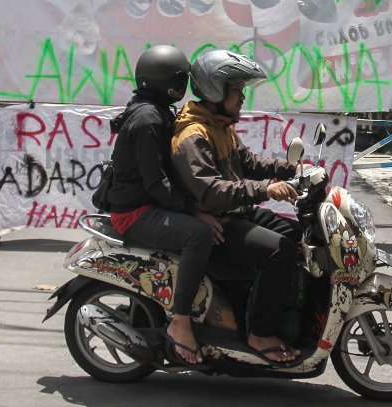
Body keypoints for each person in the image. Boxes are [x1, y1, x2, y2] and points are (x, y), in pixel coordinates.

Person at [170, 50, 303, 364]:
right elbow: (211, 191)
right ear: (214, 90)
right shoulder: (194, 134)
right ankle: (260, 332)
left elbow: (248, 162)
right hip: (220, 224)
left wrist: (291, 169)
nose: (242, 97)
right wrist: (265, 189)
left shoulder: (219, 125)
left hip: (236, 214)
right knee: (279, 250)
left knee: (297, 232)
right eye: (236, 90)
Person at [106, 45, 217, 365]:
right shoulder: (148, 118)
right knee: (198, 234)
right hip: (134, 212)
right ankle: (180, 322)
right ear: (174, 82)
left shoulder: (155, 109)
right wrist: (193, 211)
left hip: (147, 204)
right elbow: (156, 182)